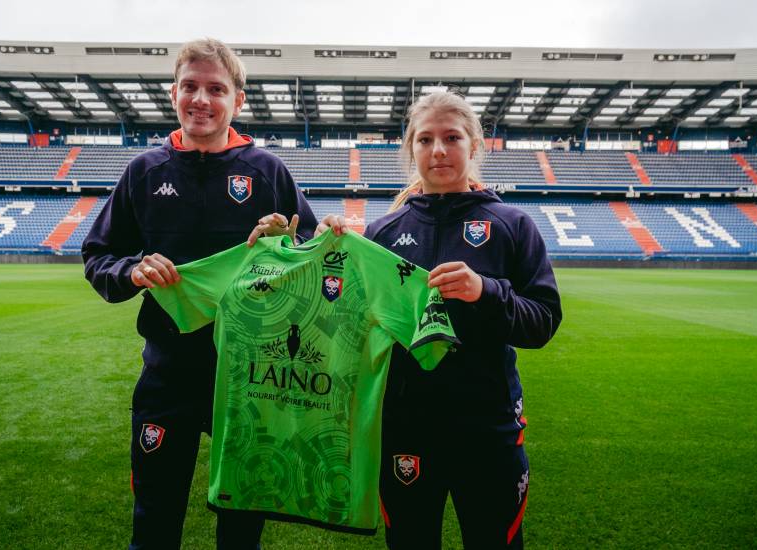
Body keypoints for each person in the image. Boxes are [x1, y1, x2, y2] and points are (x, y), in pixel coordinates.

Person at [82, 37, 325, 550]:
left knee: (240, 526)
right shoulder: (145, 172)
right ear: (173, 93)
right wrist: (132, 270)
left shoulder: (267, 171)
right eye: (190, 86)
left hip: (250, 377)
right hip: (167, 373)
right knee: (154, 519)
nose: (201, 98)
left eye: (216, 88)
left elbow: (315, 253)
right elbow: (98, 256)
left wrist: (288, 238)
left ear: (237, 101)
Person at [361, 91, 562, 549]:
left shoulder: (512, 225)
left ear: (474, 144)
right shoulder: (382, 234)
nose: (438, 151)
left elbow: (544, 321)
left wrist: (485, 292)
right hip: (406, 429)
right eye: (425, 139)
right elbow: (357, 324)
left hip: (487, 431)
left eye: (451, 137)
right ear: (410, 148)